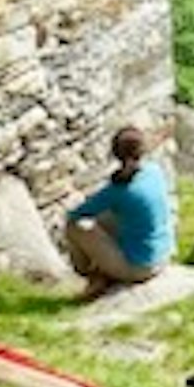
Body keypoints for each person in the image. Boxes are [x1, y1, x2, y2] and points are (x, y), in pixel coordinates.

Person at [64, 126, 174, 295]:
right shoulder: (154, 171)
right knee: (108, 217)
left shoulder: (119, 191)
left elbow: (76, 215)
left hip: (141, 268)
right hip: (164, 255)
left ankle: (90, 275)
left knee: (76, 227)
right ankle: (104, 270)